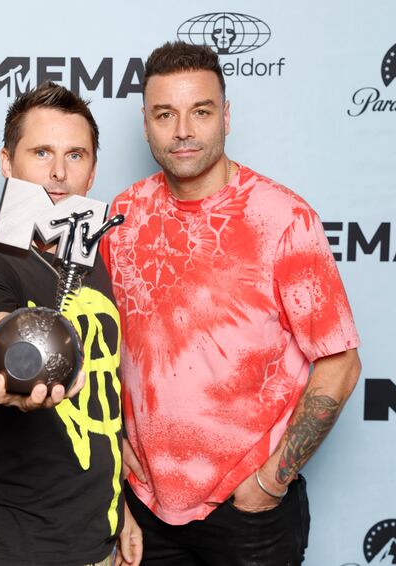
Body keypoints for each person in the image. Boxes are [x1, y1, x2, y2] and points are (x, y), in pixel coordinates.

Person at [101, 42, 362, 565]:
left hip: (248, 512)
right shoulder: (122, 215)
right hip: (144, 503)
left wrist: (271, 480)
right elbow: (103, 347)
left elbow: (340, 361)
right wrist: (117, 459)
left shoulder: (283, 218)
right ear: (144, 123)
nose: (182, 131)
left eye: (200, 111)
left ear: (226, 116)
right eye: (164, 114)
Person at [0, 81, 142, 566]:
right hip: (16, 546)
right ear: (6, 163)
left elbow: (104, 396)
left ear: (93, 170)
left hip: (97, 541)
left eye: (75, 155)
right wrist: (10, 369)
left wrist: (119, 510)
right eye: (41, 152)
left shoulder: (91, 261)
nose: (59, 172)